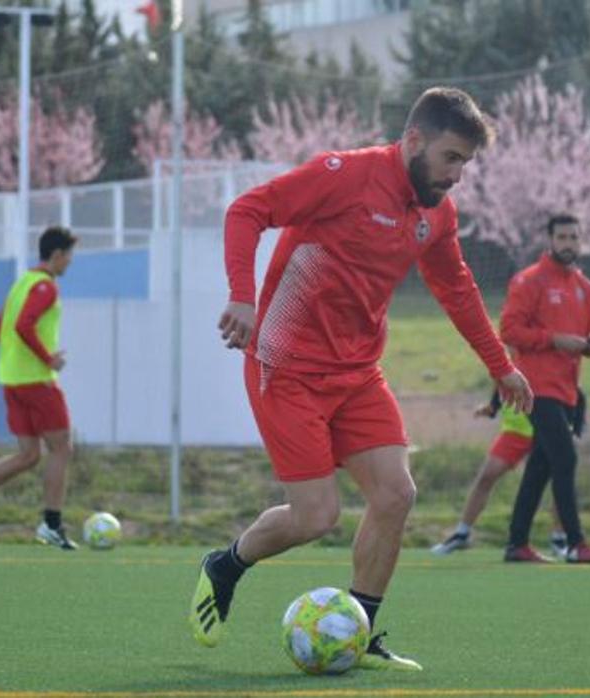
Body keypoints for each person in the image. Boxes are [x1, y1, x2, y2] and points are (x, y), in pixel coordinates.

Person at [188, 87, 533, 671]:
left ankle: (362, 629)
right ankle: (226, 565)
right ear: (415, 140)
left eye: (466, 164)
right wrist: (242, 298)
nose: (456, 176)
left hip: (357, 371)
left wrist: (501, 367)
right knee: (315, 517)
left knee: (396, 495)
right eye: (451, 158)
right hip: (286, 364)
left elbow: (457, 290)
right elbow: (247, 211)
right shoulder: (343, 175)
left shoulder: (436, 213)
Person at [0, 226, 80, 550]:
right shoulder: (45, 286)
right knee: (62, 447)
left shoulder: (21, 282)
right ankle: (51, 524)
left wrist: (16, 360)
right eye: (69, 257)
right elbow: (23, 325)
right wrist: (46, 358)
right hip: (36, 381)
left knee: (29, 454)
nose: (69, 264)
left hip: (11, 379)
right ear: (57, 255)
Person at [499, 214, 590, 564]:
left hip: (567, 391)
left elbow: (585, 335)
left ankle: (517, 543)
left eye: (574, 237)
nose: (569, 243)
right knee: (565, 456)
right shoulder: (530, 281)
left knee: (542, 466)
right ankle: (575, 543)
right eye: (562, 236)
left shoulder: (585, 288)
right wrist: (554, 340)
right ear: (550, 239)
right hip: (535, 387)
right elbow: (509, 330)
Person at [430, 387, 586, 557]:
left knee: (561, 480)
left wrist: (575, 430)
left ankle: (559, 538)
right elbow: (505, 378)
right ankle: (462, 533)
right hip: (516, 431)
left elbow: (576, 393)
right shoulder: (512, 362)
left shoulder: (546, 366)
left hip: (546, 429)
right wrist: (493, 406)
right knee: (486, 476)